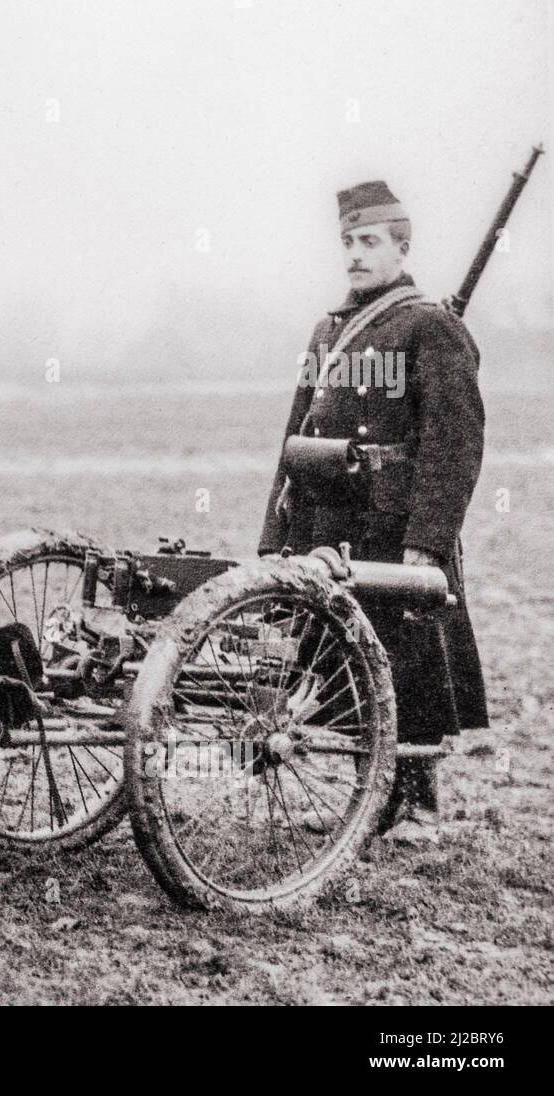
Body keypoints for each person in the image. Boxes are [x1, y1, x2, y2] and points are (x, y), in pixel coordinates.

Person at [258, 180, 488, 845]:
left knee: (406, 657)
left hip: (393, 529)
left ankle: (420, 804)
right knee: (338, 658)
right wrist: (276, 536)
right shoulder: (328, 328)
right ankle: (373, 802)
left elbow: (454, 444)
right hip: (324, 524)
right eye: (348, 243)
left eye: (368, 242)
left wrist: (428, 543)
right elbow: (295, 436)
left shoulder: (432, 327)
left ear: (401, 246)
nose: (355, 255)